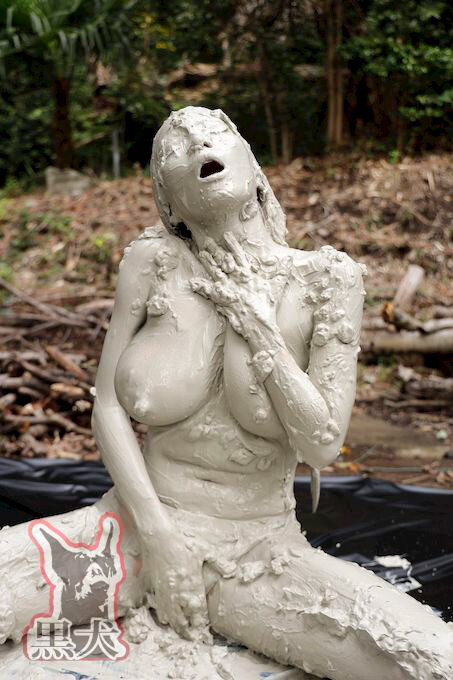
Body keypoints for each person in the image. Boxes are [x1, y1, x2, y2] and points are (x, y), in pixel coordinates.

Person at [0, 107, 451, 680]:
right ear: (169, 203)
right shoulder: (151, 262)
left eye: (212, 135)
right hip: (126, 534)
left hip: (260, 558)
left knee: (424, 658)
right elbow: (108, 405)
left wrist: (259, 329)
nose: (194, 142)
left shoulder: (326, 280)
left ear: (254, 167)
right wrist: (159, 539)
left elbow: (322, 444)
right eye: (174, 149)